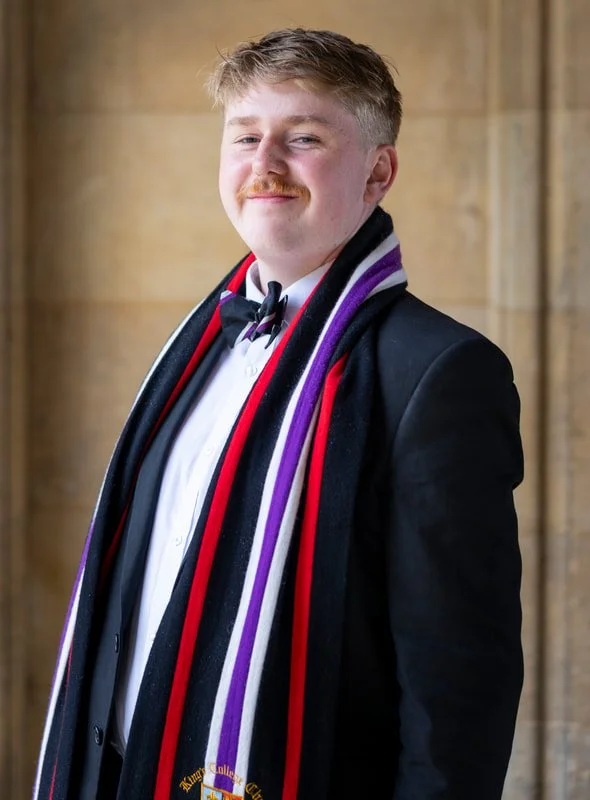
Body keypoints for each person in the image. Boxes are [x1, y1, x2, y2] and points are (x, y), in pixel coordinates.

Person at [34, 28, 524, 800]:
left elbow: (458, 685)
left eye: (303, 138)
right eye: (246, 136)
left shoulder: (439, 372)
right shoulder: (193, 349)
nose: (264, 166)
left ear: (379, 171)